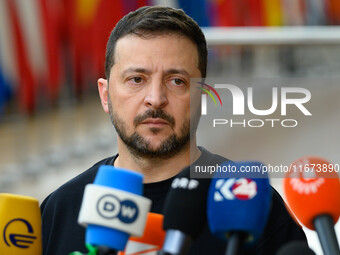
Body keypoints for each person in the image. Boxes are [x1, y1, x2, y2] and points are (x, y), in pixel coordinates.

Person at [40, 6, 307, 255]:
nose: (155, 98)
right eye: (137, 79)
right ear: (106, 95)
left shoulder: (250, 203)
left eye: (177, 81)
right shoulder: (61, 209)